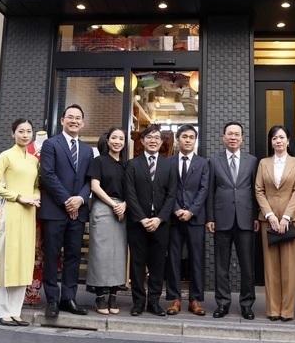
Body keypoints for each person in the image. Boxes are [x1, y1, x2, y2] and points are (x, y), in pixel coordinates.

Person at [39, 104, 93, 317]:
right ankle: (52, 299)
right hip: (55, 210)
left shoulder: (89, 150)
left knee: (73, 256)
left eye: (78, 118)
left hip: (78, 212)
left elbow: (90, 180)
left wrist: (79, 199)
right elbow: (48, 175)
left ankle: (68, 298)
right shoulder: (51, 144)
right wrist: (67, 201)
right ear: (62, 120)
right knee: (52, 255)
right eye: (70, 117)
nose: (74, 121)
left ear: (83, 123)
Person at [0, 118, 41, 326]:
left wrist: (35, 197)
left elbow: (36, 185)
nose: (25, 135)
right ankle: (0, 311)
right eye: (21, 131)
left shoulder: (34, 160)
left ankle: (15, 310)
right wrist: (19, 197)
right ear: (13, 134)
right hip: (11, 211)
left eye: (29, 131)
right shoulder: (6, 156)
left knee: (23, 261)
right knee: (7, 261)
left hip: (28, 214)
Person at [206, 121, 259, 320]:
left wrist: (255, 216)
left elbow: (256, 191)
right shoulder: (214, 161)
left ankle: (247, 304)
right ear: (223, 137)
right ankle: (222, 303)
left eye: (237, 134)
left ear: (242, 138)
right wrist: (210, 217)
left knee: (247, 265)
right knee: (221, 265)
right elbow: (210, 191)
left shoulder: (252, 161)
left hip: (246, 218)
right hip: (221, 219)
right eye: (230, 134)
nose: (233, 137)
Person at [124, 125, 177, 317]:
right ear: (142, 141)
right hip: (138, 223)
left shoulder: (169, 165)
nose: (153, 140)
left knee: (157, 265)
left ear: (162, 142)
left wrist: (160, 218)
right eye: (149, 137)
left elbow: (172, 195)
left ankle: (154, 302)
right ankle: (138, 302)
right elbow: (130, 194)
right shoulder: (132, 164)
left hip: (161, 224)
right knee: (137, 263)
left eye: (157, 137)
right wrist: (142, 218)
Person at [254, 125, 295, 322]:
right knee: (271, 265)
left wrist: (285, 217)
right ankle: (273, 310)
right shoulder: (263, 163)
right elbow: (259, 190)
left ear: (288, 141)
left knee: (289, 266)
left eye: (282, 137)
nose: (278, 141)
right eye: (274, 138)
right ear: (271, 142)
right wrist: (270, 216)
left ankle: (287, 310)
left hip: (291, 219)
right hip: (269, 220)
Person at [165, 124, 209, 317]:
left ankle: (195, 299)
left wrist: (191, 211)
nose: (188, 140)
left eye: (192, 137)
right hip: (174, 218)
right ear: (178, 139)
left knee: (196, 259)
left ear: (195, 140)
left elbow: (204, 190)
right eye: (184, 136)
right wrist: (176, 209)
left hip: (195, 218)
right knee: (173, 258)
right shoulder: (169, 162)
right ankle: (174, 298)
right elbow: (166, 189)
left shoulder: (203, 163)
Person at [86, 127, 128, 315]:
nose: (117, 141)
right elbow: (95, 186)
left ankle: (113, 295)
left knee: (118, 254)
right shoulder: (98, 161)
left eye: (121, 138)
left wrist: (125, 205)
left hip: (122, 210)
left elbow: (132, 190)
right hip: (103, 207)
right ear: (108, 140)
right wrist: (114, 205)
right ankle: (100, 296)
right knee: (101, 253)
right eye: (114, 138)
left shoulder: (126, 165)